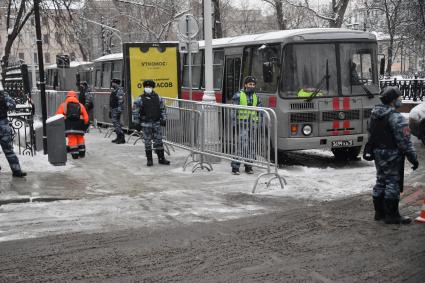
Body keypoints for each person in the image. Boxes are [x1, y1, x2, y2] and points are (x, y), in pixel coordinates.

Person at [368, 86, 419, 225]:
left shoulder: (374, 114)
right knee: (393, 182)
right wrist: (413, 158)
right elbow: (405, 142)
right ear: (392, 100)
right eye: (399, 97)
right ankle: (392, 215)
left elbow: (370, 132)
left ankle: (379, 213)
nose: (401, 100)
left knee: (381, 180)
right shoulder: (396, 117)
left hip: (378, 152)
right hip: (392, 154)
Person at [132, 79, 169, 166]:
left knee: (159, 141)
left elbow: (163, 109)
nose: (148, 88)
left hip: (156, 122)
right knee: (147, 142)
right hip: (146, 123)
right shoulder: (140, 99)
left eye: (150, 87)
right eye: (146, 87)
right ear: (144, 88)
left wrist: (164, 118)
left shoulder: (158, 97)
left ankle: (161, 158)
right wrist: (136, 122)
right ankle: (149, 160)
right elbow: (135, 111)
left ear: (152, 88)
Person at [231, 76, 262, 175]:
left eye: (253, 85)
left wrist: (259, 122)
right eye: (250, 84)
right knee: (242, 146)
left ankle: (248, 166)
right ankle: (235, 167)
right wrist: (234, 123)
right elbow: (233, 110)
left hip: (252, 125)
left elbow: (260, 111)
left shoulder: (256, 96)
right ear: (245, 85)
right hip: (242, 124)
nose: (252, 86)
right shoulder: (238, 95)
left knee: (251, 146)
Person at [0, 90, 27, 177]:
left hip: (3, 126)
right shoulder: (3, 96)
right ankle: (16, 170)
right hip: (3, 126)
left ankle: (16, 171)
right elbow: (13, 105)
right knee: (9, 151)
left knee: (9, 150)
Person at [56, 90, 89, 159]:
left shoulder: (63, 105)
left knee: (72, 138)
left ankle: (75, 154)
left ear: (67, 96)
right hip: (79, 126)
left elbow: (58, 116)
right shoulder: (80, 105)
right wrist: (85, 124)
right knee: (80, 138)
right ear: (76, 97)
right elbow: (86, 117)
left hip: (69, 126)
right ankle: (82, 152)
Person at [109, 78, 125, 144]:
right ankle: (118, 136)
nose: (112, 84)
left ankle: (121, 138)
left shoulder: (119, 90)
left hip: (117, 109)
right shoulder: (115, 90)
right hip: (113, 109)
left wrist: (119, 110)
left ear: (116, 83)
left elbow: (120, 101)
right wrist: (110, 110)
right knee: (115, 123)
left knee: (117, 123)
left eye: (113, 83)